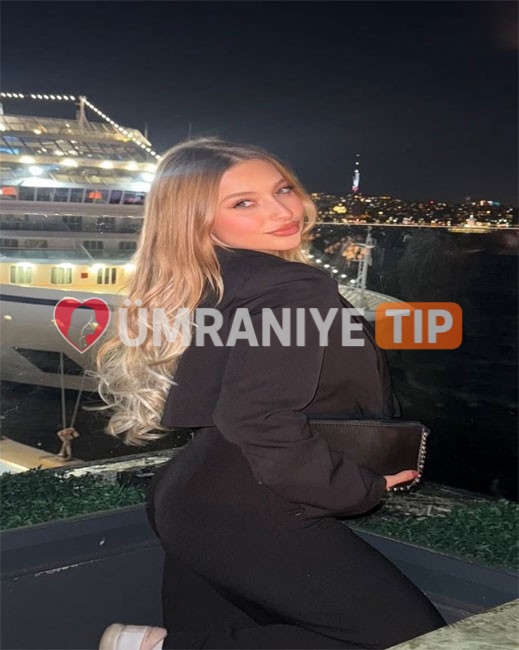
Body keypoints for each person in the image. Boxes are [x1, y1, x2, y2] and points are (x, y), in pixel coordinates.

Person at [96, 137, 446, 650]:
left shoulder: (214, 279)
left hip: (194, 494)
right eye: (244, 203)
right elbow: (257, 417)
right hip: (251, 502)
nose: (283, 211)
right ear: (197, 220)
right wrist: (356, 488)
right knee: (412, 641)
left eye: (283, 190)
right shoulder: (290, 285)